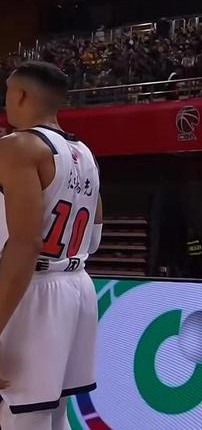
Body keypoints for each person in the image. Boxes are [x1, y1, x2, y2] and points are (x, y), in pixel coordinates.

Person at [0, 61, 101, 429]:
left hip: (33, 290)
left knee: (21, 416)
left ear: (21, 95)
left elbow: (25, 244)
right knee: (52, 413)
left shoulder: (17, 147)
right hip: (77, 285)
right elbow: (95, 237)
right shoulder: (85, 153)